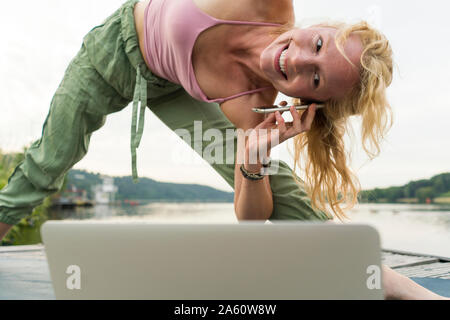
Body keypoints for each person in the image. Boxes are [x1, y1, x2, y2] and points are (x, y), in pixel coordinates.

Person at [0, 0, 447, 299]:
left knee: (274, 179)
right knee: (47, 164)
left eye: (314, 78)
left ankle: (389, 281)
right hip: (108, 57)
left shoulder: (253, 107)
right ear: (321, 25)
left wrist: (254, 158)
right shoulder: (265, 4)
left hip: (170, 87)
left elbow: (250, 218)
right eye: (315, 45)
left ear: (311, 101)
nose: (293, 61)